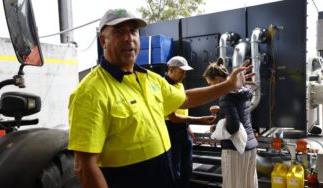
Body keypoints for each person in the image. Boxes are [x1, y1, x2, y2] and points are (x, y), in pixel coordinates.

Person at [68, 8, 255, 188]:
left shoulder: (151, 79)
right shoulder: (90, 92)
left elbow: (185, 99)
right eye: (119, 32)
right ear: (103, 41)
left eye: (133, 31)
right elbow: (84, 167)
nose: (128, 38)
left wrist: (228, 85)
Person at [203, 58, 259, 188]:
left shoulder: (226, 95)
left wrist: (217, 129)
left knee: (233, 184)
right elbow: (240, 117)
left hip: (235, 149)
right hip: (250, 145)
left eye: (210, 83)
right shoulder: (243, 90)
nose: (211, 87)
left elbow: (233, 126)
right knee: (249, 183)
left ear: (217, 79)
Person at [164, 56, 215, 188]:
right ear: (171, 70)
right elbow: (173, 117)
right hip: (170, 130)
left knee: (187, 166)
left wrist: (187, 128)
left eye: (185, 72)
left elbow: (182, 110)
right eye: (181, 72)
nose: (184, 75)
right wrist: (200, 119)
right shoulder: (163, 87)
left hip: (182, 129)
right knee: (174, 168)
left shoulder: (179, 85)